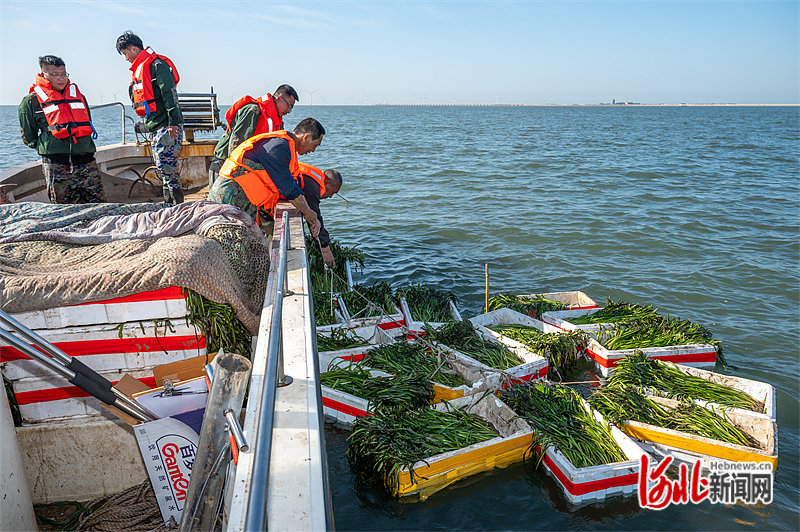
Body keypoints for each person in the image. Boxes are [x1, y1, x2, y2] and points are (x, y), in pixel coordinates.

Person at [207, 118, 325, 241]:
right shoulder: (279, 147)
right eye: (315, 145)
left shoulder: (284, 145)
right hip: (230, 195)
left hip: (244, 198)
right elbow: (288, 189)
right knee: (228, 241)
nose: (313, 150)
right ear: (306, 137)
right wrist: (309, 213)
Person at [18, 55, 103, 204]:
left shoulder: (79, 97)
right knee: (63, 209)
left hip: (86, 161)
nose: (61, 78)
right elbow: (29, 136)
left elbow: (87, 121)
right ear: (43, 74)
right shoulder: (30, 102)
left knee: (98, 205)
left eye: (64, 74)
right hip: (56, 165)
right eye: (55, 75)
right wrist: (47, 146)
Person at [115, 31, 185, 204]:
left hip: (167, 125)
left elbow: (169, 94)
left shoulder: (157, 65)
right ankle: (169, 204)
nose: (126, 59)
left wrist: (173, 123)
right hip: (155, 125)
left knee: (167, 166)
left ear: (133, 48)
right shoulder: (141, 69)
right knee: (162, 166)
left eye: (125, 54)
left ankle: (177, 204)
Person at [208, 84, 299, 184]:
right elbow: (235, 148)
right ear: (279, 99)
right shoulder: (253, 111)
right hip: (224, 167)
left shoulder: (276, 121)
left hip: (244, 171)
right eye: (289, 106)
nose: (289, 111)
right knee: (216, 199)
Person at [296, 162, 343, 267]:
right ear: (327, 182)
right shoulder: (311, 186)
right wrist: (325, 248)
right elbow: (314, 218)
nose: (330, 196)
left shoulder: (313, 180)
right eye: (333, 192)